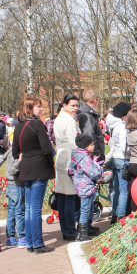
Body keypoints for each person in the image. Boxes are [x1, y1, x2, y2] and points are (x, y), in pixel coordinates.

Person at [12, 96, 55, 253]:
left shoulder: (19, 126)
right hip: (38, 168)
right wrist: (51, 165)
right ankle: (37, 243)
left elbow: (15, 151)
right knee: (34, 208)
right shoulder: (37, 124)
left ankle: (30, 242)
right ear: (30, 109)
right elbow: (46, 149)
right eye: (38, 107)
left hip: (26, 169)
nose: (41, 109)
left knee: (30, 207)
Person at [53, 93, 81, 241]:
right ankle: (70, 229)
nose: (75, 108)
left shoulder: (59, 118)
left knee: (63, 196)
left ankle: (65, 228)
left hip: (61, 156)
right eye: (72, 105)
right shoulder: (69, 121)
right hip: (69, 156)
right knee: (69, 196)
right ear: (65, 105)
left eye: (77, 105)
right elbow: (74, 142)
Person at [70, 134, 103, 242]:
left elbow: (70, 171)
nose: (93, 146)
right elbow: (93, 173)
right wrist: (100, 171)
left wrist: (76, 179)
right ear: (85, 146)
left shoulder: (76, 155)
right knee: (85, 210)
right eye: (91, 144)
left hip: (81, 185)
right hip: (86, 187)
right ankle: (82, 234)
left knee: (87, 209)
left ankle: (84, 230)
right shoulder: (84, 158)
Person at [106, 102, 131, 222]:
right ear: (124, 115)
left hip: (116, 159)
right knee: (123, 190)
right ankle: (121, 216)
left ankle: (115, 214)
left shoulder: (116, 126)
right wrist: (132, 152)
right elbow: (123, 146)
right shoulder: (122, 128)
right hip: (123, 159)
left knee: (116, 189)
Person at [4, 138, 26, 247]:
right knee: (19, 211)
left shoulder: (11, 150)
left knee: (12, 211)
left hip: (12, 184)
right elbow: (12, 170)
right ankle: (21, 237)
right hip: (16, 185)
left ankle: (11, 237)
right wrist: (20, 160)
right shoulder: (15, 152)